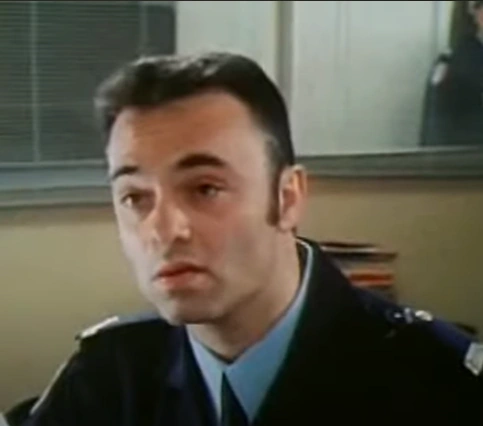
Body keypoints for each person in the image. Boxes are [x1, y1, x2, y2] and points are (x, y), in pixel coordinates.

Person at [7, 52, 483, 426]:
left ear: (288, 197)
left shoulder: (437, 383)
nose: (164, 230)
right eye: (134, 197)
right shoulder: (111, 375)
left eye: (205, 189)